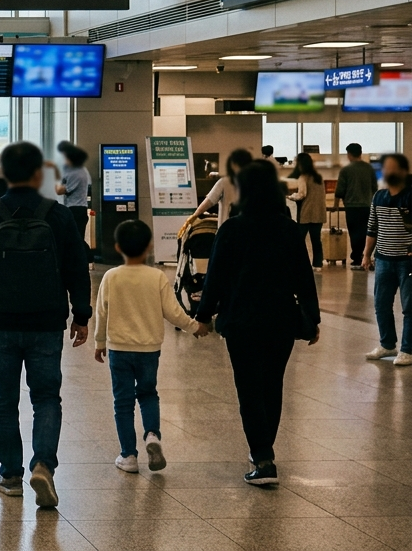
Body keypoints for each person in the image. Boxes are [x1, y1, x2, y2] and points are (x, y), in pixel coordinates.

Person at [0, 141, 91, 508]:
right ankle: (43, 464)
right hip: (47, 322)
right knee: (46, 397)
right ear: (38, 174)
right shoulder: (58, 215)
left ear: (5, 174)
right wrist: (81, 314)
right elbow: (77, 268)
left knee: (4, 400)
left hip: (0, 322)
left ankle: (11, 475)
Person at [196, 159, 319, 486]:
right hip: (281, 320)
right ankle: (264, 450)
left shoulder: (232, 229)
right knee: (272, 385)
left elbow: (215, 278)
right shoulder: (288, 230)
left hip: (242, 321)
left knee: (249, 388)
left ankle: (263, 458)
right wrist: (313, 318)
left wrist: (203, 315)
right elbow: (304, 278)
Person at [93, 220, 206, 474]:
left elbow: (101, 313)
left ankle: (128, 456)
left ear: (118, 247)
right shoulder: (156, 277)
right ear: (149, 246)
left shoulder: (111, 277)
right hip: (149, 350)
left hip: (119, 349)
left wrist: (99, 342)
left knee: (123, 402)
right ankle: (152, 435)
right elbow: (173, 312)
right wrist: (194, 327)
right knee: (147, 394)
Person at [363, 153, 412, 365]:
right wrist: (366, 254)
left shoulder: (410, 196)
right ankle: (387, 344)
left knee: (409, 307)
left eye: (393, 167)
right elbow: (372, 228)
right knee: (381, 304)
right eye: (386, 168)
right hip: (383, 259)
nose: (389, 171)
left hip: (407, 261)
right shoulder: (379, 197)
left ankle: (407, 349)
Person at [336, 143, 377, 270]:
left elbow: (340, 190)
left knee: (354, 232)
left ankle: (357, 257)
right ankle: (365, 256)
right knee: (365, 231)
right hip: (367, 206)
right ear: (360, 153)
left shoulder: (346, 170)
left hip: (351, 206)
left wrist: (335, 205)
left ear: (349, 154)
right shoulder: (369, 168)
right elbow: (374, 188)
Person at [189, 148, 253, 225]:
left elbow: (209, 201)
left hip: (228, 228)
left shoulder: (225, 182)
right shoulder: (256, 183)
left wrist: (194, 216)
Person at [290, 152, 327, 269]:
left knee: (299, 240)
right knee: (316, 240)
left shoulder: (303, 177)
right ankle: (318, 263)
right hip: (319, 212)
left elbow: (302, 194)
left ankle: (298, 263)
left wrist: (291, 197)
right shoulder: (319, 177)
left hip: (306, 212)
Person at [54, 142, 93, 255]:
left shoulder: (77, 172)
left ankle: (87, 257)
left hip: (76, 209)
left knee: (76, 239)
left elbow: (59, 190)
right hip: (75, 208)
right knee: (74, 238)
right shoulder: (76, 170)